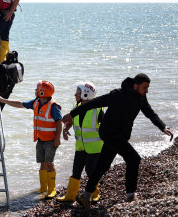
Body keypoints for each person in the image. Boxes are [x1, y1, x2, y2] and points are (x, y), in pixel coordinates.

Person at [63, 74, 174, 209]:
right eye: (145, 88)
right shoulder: (117, 94)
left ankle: (85, 196)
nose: (147, 91)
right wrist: (72, 114)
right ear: (135, 86)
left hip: (121, 136)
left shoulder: (141, 98)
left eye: (147, 88)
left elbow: (150, 113)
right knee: (134, 159)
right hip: (109, 133)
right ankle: (130, 195)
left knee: (102, 165)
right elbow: (93, 103)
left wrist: (163, 127)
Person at [0, 81, 62, 199]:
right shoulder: (36, 102)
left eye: (37, 89)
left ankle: (51, 190)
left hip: (50, 140)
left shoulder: (53, 106)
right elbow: (20, 104)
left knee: (49, 163)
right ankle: (43, 187)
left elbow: (59, 121)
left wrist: (58, 138)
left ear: (43, 92)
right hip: (40, 139)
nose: (36, 91)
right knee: (42, 163)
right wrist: (4, 101)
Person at [57, 82, 103, 203]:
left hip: (95, 148)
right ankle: (70, 196)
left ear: (86, 94)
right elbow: (70, 121)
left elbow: (107, 126)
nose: (75, 94)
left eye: (77, 92)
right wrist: (65, 130)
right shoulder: (76, 107)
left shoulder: (98, 110)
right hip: (81, 146)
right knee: (76, 170)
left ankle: (95, 194)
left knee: (90, 171)